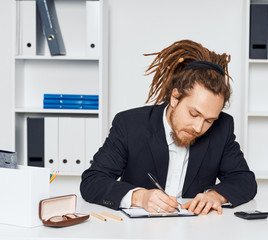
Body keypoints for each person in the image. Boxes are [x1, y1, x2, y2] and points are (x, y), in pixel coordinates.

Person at [80, 40, 257, 215]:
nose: (198, 127)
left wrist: (216, 196)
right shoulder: (129, 124)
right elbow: (92, 181)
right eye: (194, 114)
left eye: (209, 120)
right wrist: (140, 197)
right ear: (175, 97)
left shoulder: (222, 127)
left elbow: (244, 180)